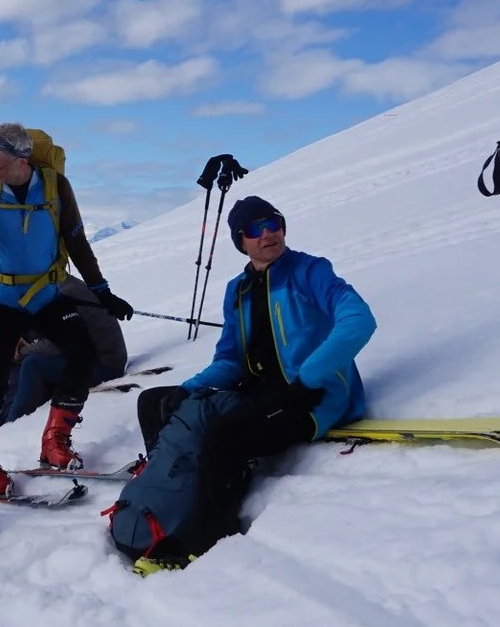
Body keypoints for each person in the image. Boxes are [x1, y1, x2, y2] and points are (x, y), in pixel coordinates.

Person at [134, 196, 375, 560]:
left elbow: (359, 320)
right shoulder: (238, 290)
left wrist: (307, 380)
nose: (268, 234)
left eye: (274, 223)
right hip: (261, 393)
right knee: (154, 401)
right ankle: (169, 485)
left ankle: (208, 536)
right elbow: (230, 359)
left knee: (225, 435)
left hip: (313, 397)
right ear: (240, 241)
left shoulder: (311, 272)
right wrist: (189, 388)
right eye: (255, 229)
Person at [0, 123, 133, 489]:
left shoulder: (56, 186)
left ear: (21, 159)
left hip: (44, 292)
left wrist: (102, 291)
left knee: (82, 352)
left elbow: (75, 238)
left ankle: (55, 441)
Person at [1, 276, 130, 426]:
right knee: (24, 351)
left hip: (104, 364)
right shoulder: (59, 285)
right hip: (92, 356)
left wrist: (23, 351)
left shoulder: (66, 293)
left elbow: (56, 345)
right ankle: (7, 413)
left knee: (32, 364)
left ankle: (12, 422)